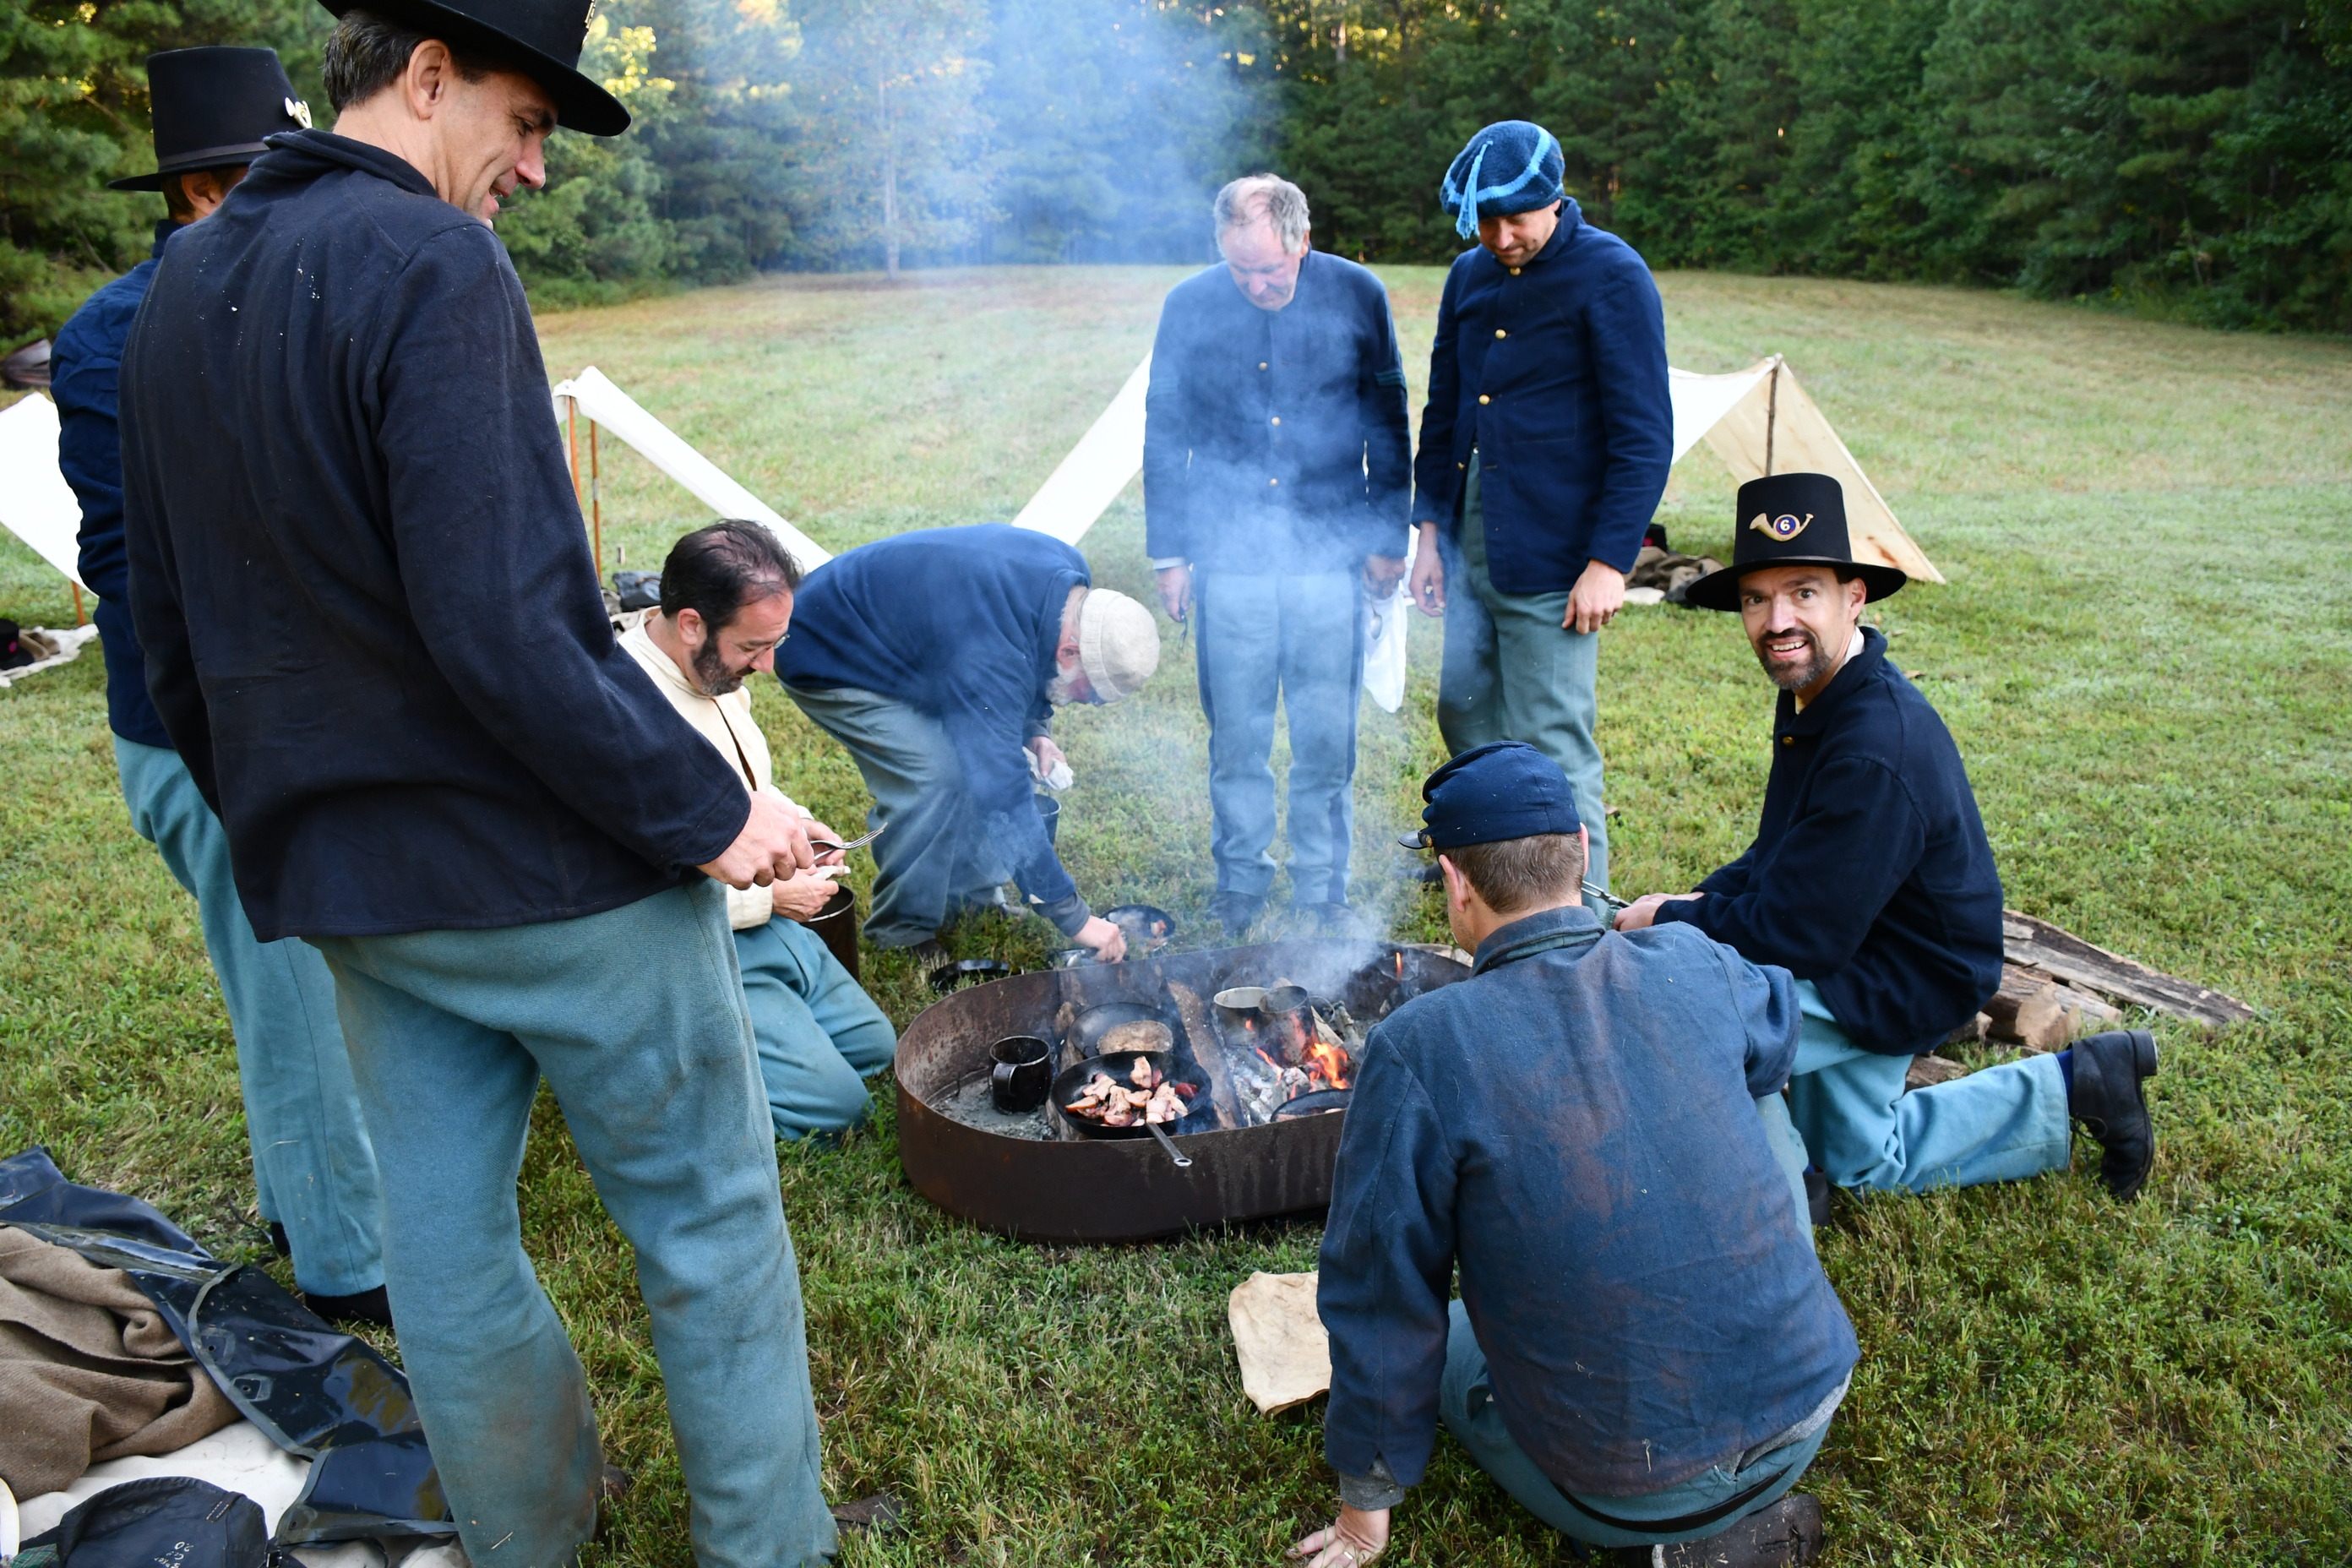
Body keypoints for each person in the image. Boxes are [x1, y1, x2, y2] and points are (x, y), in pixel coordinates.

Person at [116, 5, 838, 1563]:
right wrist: (719, 813)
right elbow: (509, 629)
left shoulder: (181, 281)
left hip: (352, 888)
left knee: (443, 1255)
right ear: (427, 73)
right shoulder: (434, 265)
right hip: (546, 884)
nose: (527, 166)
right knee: (710, 1230)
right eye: (520, 120)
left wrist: (280, 820)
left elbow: (163, 624)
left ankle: (528, 1541)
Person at [1298, 742, 1856, 1568]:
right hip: (1810, 1408)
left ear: (1455, 881)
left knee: (1453, 1331)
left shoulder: (1420, 1045)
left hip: (1622, 1489)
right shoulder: (1694, 959)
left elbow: (1381, 1288)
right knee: (1755, 1079)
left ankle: (1668, 1549)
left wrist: (1362, 1512)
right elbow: (1778, 1022)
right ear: (1583, 850)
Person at [49, 46, 390, 1328]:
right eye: (271, 177)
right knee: (296, 995)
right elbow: (137, 569)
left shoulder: (282, 288)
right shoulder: (118, 335)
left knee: (302, 987)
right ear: (203, 192)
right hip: (212, 729)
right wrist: (240, 750)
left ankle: (308, 1194)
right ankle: (350, 1265)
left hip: (290, 714)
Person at [1615, 473, 2159, 1202]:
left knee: (1671, 1013)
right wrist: (1705, 897)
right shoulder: (1821, 690)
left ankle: (1768, 1195)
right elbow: (1782, 855)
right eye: (1756, 598)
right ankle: (2081, 1085)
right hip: (1862, 943)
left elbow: (1797, 937)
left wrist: (1672, 922)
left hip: (1898, 973)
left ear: (1853, 597)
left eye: (1803, 592)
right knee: (1863, 1165)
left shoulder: (1874, 743)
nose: (1777, 620)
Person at [1404, 120, 1674, 912]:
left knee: (1550, 739)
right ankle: (1499, 878)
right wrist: (1428, 535)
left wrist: (1609, 561)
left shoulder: (1612, 274)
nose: (1500, 236)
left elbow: (1643, 435)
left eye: (1515, 218)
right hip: (1465, 539)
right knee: (1466, 714)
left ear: (1554, 198)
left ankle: (1583, 915)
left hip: (1556, 555)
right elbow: (1446, 409)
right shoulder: (1468, 275)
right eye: (1485, 222)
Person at [1141, 174, 1413, 938]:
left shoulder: (1358, 294)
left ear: (1304, 239)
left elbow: (1389, 422)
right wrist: (1172, 553)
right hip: (1229, 557)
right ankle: (1240, 878)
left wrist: (1388, 540)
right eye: (1241, 270)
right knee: (1238, 732)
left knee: (1327, 732)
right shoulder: (1189, 305)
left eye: (1271, 268)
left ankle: (1322, 886)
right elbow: (1164, 432)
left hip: (1330, 552)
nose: (1258, 284)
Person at [619, 520, 899, 1141]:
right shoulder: (628, 712)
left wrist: (795, 824)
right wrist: (774, 896)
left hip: (757, 925)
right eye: (754, 647)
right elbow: (633, 884)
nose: (769, 665)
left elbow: (748, 787)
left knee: (877, 1051)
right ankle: (677, 1075)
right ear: (691, 623)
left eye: (776, 642)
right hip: (688, 949)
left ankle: (763, 1036)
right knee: (835, 1111)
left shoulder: (712, 671)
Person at [776, 523, 1159, 964]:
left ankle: (971, 898)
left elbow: (1028, 655)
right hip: (828, 648)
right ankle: (901, 928)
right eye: (1087, 693)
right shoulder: (990, 654)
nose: (1083, 703)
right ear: (1070, 653)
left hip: (917, 646)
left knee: (980, 757)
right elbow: (1001, 793)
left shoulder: (1069, 581)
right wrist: (1075, 917)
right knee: (935, 776)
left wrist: (1036, 730)